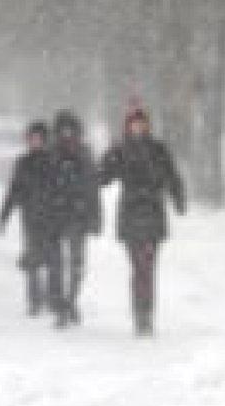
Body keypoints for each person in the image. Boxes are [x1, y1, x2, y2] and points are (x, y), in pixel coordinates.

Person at [99, 107, 185, 337]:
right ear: (128, 126)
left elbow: (172, 176)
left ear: (147, 125)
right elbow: (103, 176)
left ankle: (146, 315)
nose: (137, 127)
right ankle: (140, 314)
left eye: (141, 123)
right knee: (139, 267)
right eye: (133, 124)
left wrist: (179, 200)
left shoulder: (158, 149)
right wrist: (107, 159)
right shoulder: (120, 149)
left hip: (153, 213)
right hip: (130, 215)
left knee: (148, 268)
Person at [48, 110, 101, 328]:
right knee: (57, 265)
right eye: (63, 130)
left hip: (78, 217)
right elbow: (42, 188)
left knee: (77, 264)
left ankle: (71, 300)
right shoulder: (51, 155)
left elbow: (92, 188)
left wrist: (95, 218)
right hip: (55, 216)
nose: (67, 134)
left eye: (70, 130)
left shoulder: (85, 154)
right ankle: (61, 305)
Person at [0, 121, 55, 317]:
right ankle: (34, 300)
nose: (35, 142)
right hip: (30, 218)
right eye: (32, 139)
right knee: (32, 260)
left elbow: (61, 190)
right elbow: (14, 191)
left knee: (51, 260)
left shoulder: (53, 162)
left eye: (39, 139)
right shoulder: (23, 162)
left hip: (51, 218)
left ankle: (50, 296)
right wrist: (4, 215)